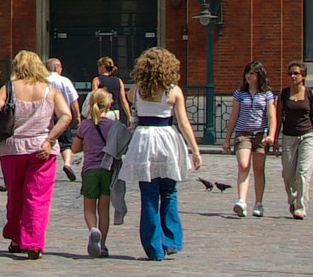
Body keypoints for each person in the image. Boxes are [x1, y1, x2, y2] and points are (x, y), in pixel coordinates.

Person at [118, 46, 203, 260]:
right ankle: (171, 239)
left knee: (148, 195)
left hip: (144, 138)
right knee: (168, 192)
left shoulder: (136, 89)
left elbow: (130, 102)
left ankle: (153, 248)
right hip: (166, 137)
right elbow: (183, 122)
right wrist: (195, 150)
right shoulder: (173, 91)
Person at [0, 50, 70, 259]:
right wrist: (50, 139)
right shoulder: (50, 90)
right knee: (38, 197)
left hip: (12, 148)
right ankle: (33, 243)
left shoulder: (10, 88)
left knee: (15, 194)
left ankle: (15, 237)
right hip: (41, 148)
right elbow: (67, 116)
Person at [76, 88, 126, 257]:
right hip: (108, 170)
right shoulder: (114, 126)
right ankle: (102, 245)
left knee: (89, 208)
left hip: (90, 170)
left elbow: (75, 148)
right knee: (103, 209)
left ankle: (93, 230)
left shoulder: (85, 125)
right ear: (109, 104)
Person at [225, 61, 277, 217]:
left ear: (259, 75)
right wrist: (227, 139)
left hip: (260, 134)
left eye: (252, 73)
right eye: (247, 73)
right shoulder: (239, 94)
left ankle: (258, 203)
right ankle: (241, 200)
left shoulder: (267, 94)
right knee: (243, 164)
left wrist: (271, 135)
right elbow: (233, 117)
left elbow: (271, 116)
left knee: (259, 169)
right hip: (243, 134)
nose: (249, 76)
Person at [277, 60, 313, 220]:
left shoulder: (311, 95)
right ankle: (292, 199)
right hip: (289, 137)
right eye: (290, 73)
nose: (292, 76)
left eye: (296, 73)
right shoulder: (284, 95)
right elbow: (278, 119)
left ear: (303, 76)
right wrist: (275, 140)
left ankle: (300, 206)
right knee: (288, 174)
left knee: (303, 173)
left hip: (307, 136)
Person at [46, 58, 81, 181]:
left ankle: (47, 166)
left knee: (48, 140)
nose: (61, 69)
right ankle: (67, 164)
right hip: (63, 116)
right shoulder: (64, 81)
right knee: (66, 143)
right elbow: (73, 100)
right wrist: (77, 116)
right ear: (56, 67)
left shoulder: (42, 81)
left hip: (47, 117)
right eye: (60, 67)